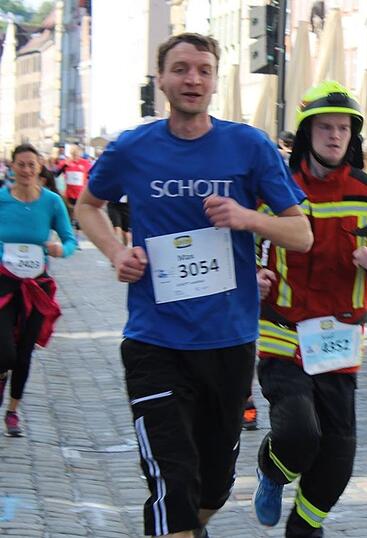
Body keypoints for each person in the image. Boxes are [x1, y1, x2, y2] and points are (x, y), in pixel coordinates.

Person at [75, 33, 312, 538]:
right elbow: (87, 206)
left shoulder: (247, 145)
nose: (192, 79)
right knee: (171, 479)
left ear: (214, 80)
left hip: (227, 341)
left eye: (203, 70)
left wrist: (247, 217)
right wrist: (117, 252)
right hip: (154, 340)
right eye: (181, 69)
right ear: (160, 79)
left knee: (212, 488)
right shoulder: (132, 147)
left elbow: (302, 233)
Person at [252, 81, 367, 537]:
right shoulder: (276, 187)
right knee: (299, 434)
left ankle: (305, 528)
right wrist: (252, 271)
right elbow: (241, 241)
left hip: (339, 342)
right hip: (282, 332)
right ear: (307, 133)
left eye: (343, 128)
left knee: (339, 454)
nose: (334, 136)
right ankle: (272, 470)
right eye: (324, 127)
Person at [0, 144, 77, 437]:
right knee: (4, 351)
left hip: (36, 286)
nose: (26, 170)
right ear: (12, 167)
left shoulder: (52, 202)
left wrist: (61, 249)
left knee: (23, 353)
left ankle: (12, 411)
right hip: (3, 282)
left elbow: (70, 240)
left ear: (39, 167)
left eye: (31, 165)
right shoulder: (2, 200)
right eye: (21, 164)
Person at [56, 144, 93, 225]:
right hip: (69, 194)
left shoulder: (85, 163)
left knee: (79, 218)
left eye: (77, 153)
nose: (75, 155)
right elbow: (56, 174)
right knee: (70, 217)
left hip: (81, 194)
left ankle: (77, 230)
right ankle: (71, 231)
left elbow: (92, 175)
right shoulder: (66, 163)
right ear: (71, 153)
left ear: (80, 153)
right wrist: (65, 164)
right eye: (73, 153)